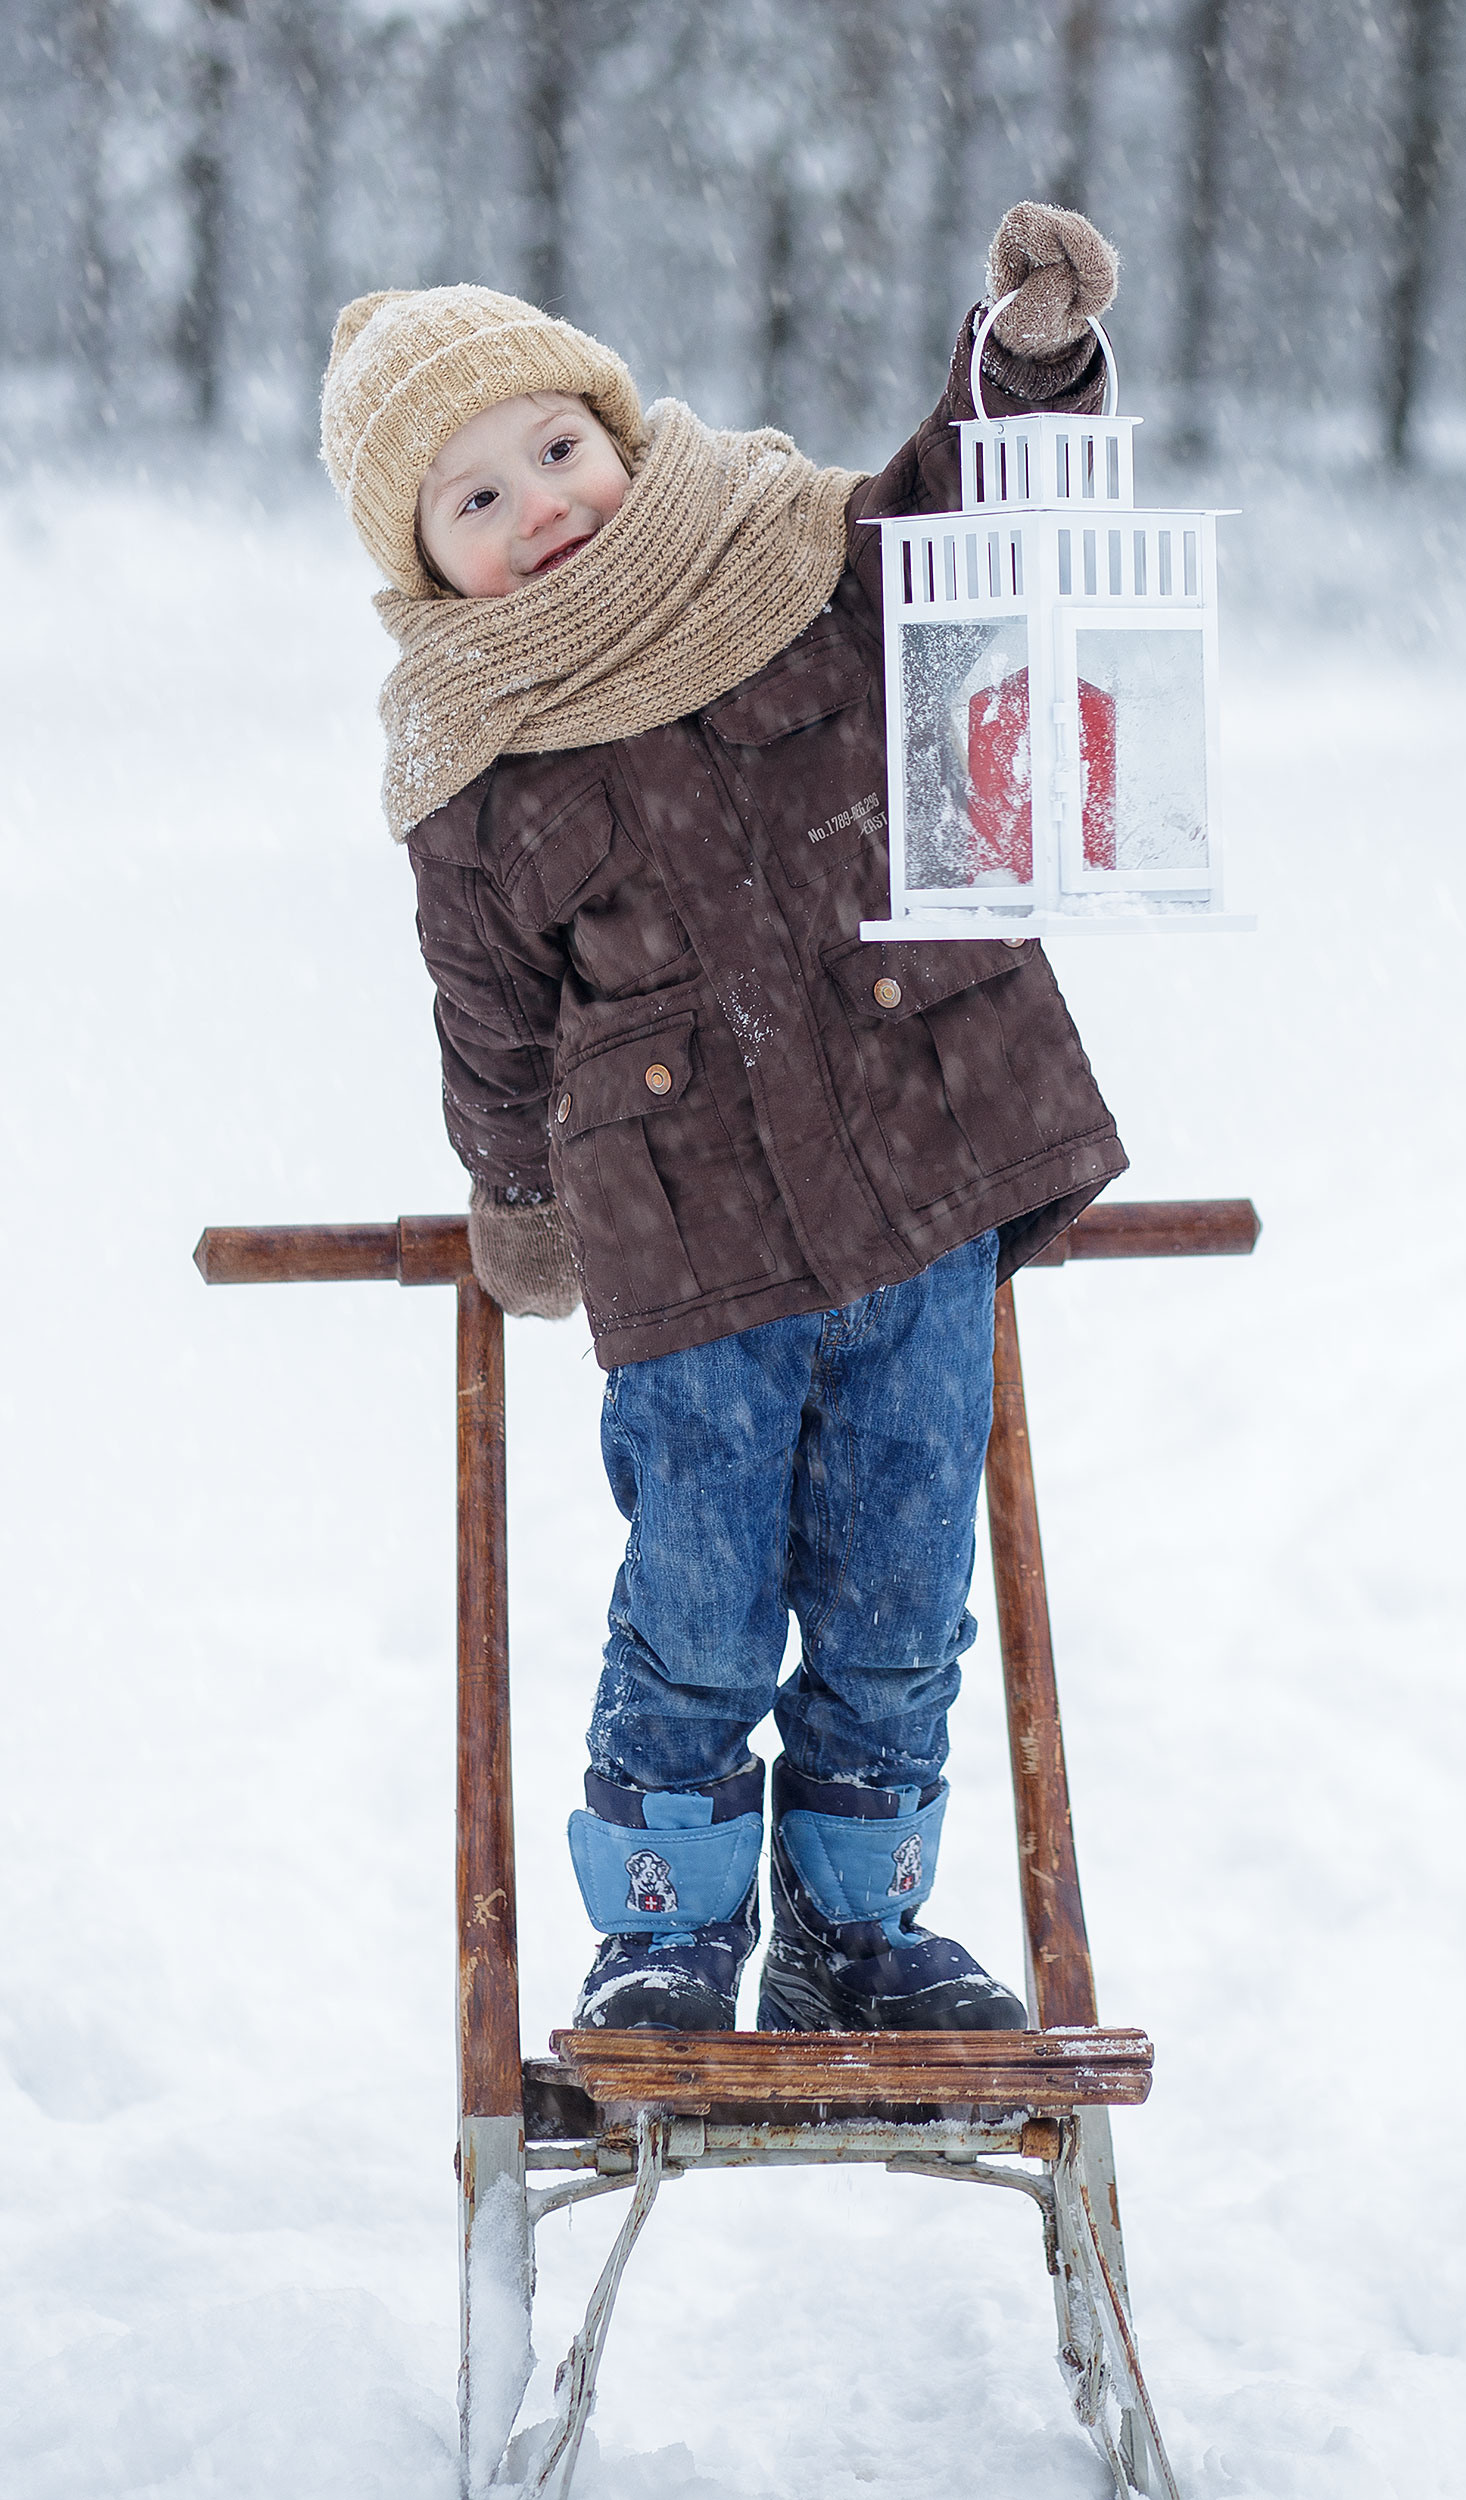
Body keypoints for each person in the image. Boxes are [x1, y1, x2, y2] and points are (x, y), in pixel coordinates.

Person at [317, 204, 1128, 2035]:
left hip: (918, 1191)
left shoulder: (789, 551)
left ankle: (859, 1927)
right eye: (473, 501)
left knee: (904, 1598)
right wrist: (513, 1204)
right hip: (694, 1251)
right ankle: (667, 1931)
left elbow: (960, 518)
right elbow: (493, 1020)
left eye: (554, 446)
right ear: (429, 570)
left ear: (614, 428)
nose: (540, 502)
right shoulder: (473, 758)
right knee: (695, 1610)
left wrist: (1026, 373)